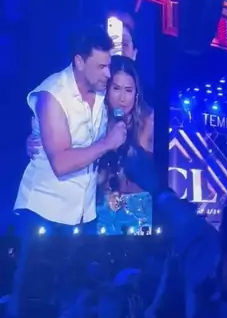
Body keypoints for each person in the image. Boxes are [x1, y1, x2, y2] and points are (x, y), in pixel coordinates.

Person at [15, 25, 127, 233]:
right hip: (45, 213)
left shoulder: (101, 89)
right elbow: (61, 163)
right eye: (101, 67)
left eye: (108, 65)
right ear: (79, 62)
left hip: (85, 214)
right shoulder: (52, 96)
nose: (107, 73)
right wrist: (107, 144)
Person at [96, 56, 155, 235]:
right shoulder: (96, 120)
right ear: (107, 89)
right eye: (116, 89)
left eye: (128, 90)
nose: (122, 98)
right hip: (101, 208)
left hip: (138, 210)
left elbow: (148, 175)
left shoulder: (147, 122)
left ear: (136, 93)